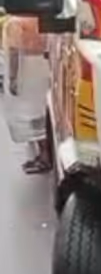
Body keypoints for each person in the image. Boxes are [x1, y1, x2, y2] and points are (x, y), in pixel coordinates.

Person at [2, 15, 51, 174]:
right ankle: (45, 155)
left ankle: (44, 156)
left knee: (32, 115)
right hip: (43, 66)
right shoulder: (45, 18)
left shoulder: (16, 23)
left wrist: (13, 78)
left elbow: (14, 52)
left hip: (28, 70)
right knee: (41, 112)